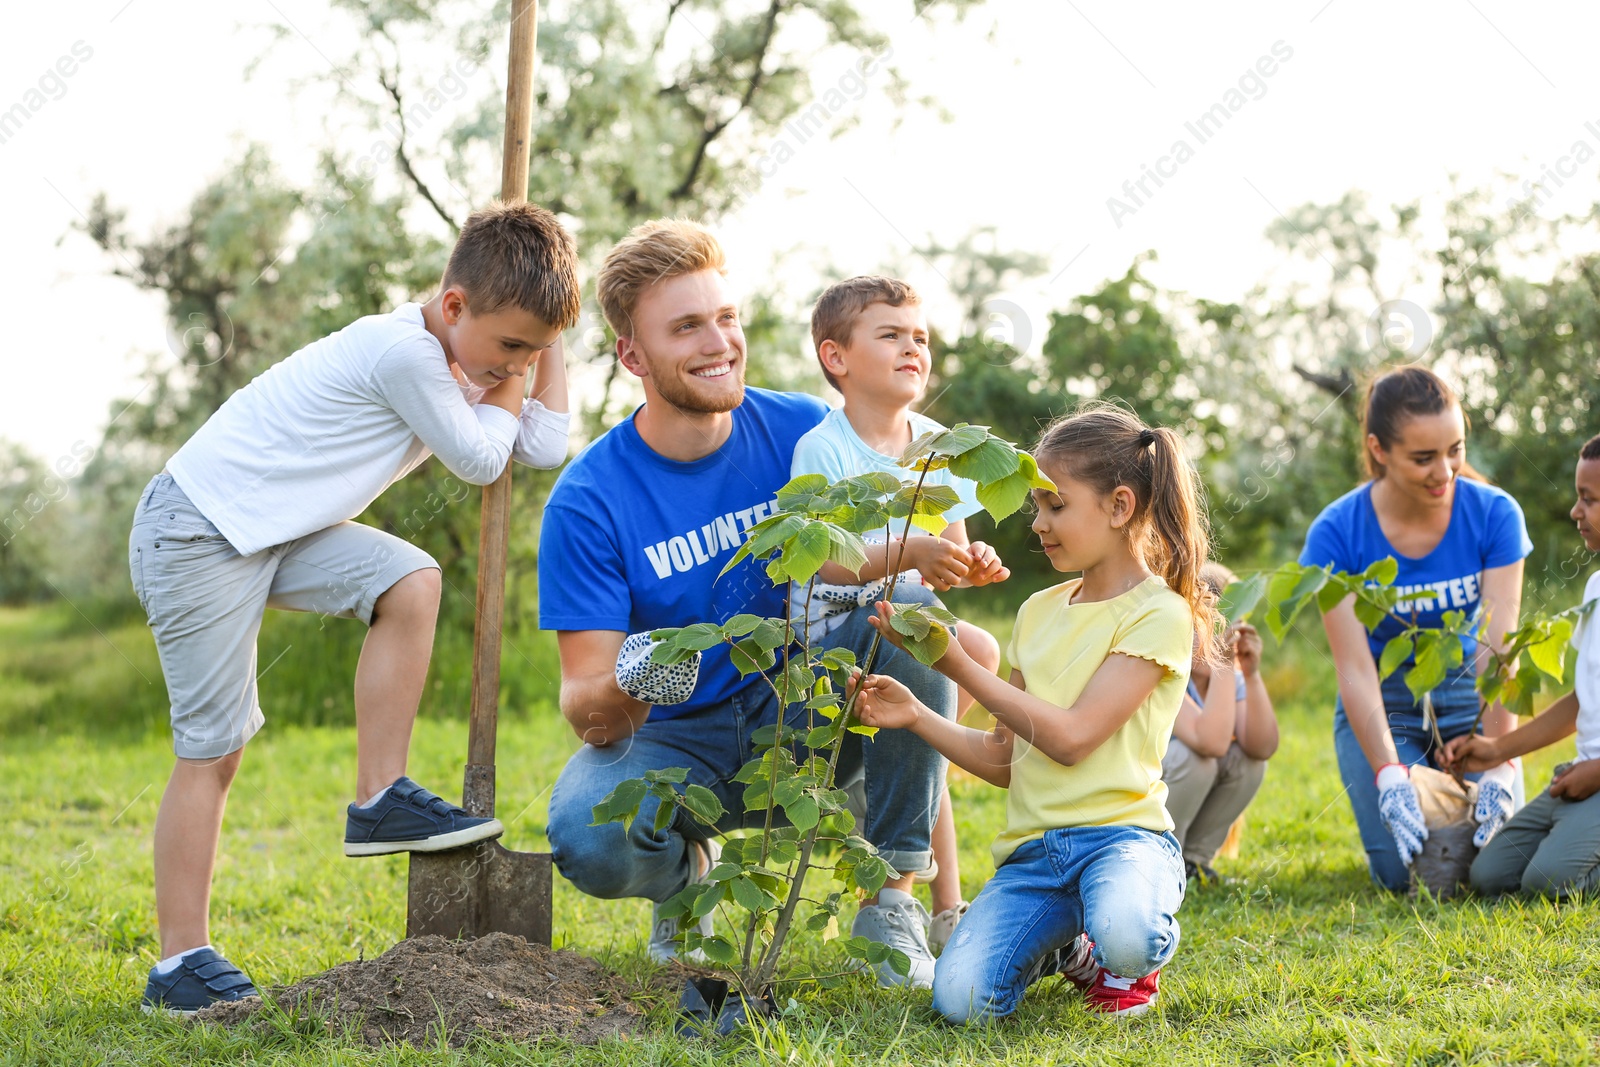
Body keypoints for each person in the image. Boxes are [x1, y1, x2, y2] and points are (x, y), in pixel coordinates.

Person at [131, 202, 583, 1014]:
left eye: (535, 350)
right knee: (215, 749)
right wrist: (520, 369)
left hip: (269, 531)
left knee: (409, 579)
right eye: (511, 346)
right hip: (197, 527)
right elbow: (486, 458)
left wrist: (543, 344)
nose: (518, 365)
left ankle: (379, 799)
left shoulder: (468, 350)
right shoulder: (403, 351)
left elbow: (545, 444)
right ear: (453, 307)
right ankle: (178, 964)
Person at [537, 221, 958, 989]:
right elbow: (585, 704)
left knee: (908, 605)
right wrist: (642, 673)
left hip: (808, 713)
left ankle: (892, 894)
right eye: (687, 326)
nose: (719, 342)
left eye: (726, 318)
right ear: (632, 355)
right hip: (678, 740)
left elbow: (913, 569)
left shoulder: (807, 433)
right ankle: (686, 876)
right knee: (585, 834)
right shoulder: (589, 499)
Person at [850, 403, 1213, 1020]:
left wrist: (956, 665)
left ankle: (1126, 955)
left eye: (1056, 505)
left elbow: (1071, 740)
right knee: (963, 1002)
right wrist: (917, 715)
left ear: (1120, 507)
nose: (1039, 524)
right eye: (1036, 508)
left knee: (1128, 933)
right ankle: (1069, 947)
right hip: (1035, 857)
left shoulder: (1159, 614)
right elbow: (1003, 760)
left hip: (1123, 842)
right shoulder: (1038, 611)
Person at [791, 275, 1009, 953]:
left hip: (905, 629)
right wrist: (905, 550)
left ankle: (947, 907)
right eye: (890, 335)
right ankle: (900, 898)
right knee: (927, 643)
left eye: (920, 336)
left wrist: (973, 564)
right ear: (837, 358)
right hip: (832, 644)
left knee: (972, 658)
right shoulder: (822, 448)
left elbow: (949, 554)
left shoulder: (940, 445)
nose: (912, 347)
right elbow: (826, 562)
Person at [1300, 365, 1530, 893]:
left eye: (1456, 449)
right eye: (1423, 458)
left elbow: (1499, 647)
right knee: (1405, 875)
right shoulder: (1336, 533)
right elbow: (1355, 669)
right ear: (1379, 450)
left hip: (1469, 692)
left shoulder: (1495, 514)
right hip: (1384, 700)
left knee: (1494, 864)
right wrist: (1388, 773)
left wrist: (1499, 760)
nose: (1445, 471)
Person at [1443, 432, 1600, 897]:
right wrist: (1496, 749)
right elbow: (1582, 702)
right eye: (1578, 497)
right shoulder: (1594, 588)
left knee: (1549, 882)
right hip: (1582, 773)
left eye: (1589, 500)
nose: (1575, 512)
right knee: (1489, 875)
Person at [1162, 560, 1279, 884]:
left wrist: (1251, 675)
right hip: (1137, 810)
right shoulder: (1163, 672)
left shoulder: (1224, 677)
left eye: (1233, 627)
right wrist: (1224, 665)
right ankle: (1160, 860)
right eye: (1212, 626)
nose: (1223, 639)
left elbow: (1262, 746)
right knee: (1196, 759)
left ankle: (1192, 862)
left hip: (1178, 792)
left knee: (1249, 762)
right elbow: (1211, 742)